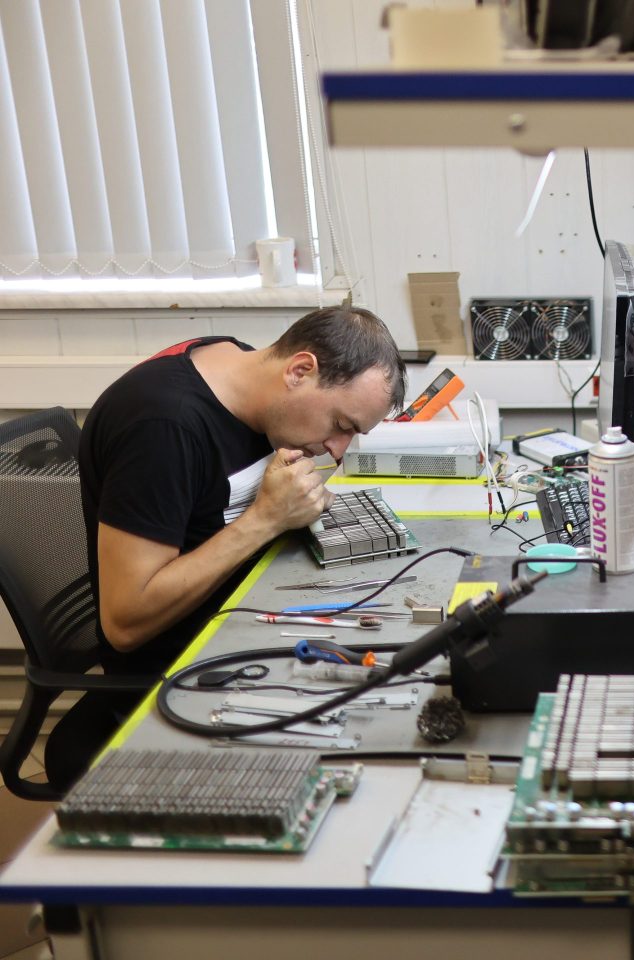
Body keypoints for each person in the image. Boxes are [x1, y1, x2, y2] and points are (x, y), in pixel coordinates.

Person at [52, 306, 406, 789]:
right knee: (379, 752)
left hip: (244, 620)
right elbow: (124, 624)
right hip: (182, 677)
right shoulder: (163, 428)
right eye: (341, 424)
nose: (338, 449)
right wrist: (264, 520)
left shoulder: (240, 366)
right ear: (299, 370)